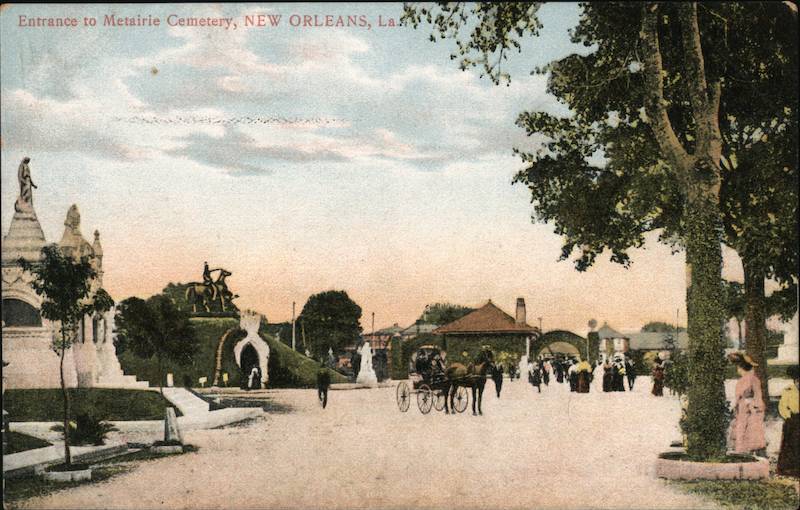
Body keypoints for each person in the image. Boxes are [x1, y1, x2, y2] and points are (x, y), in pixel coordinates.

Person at [729, 353, 766, 455]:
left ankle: (747, 454)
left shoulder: (748, 380)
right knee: (744, 432)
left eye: (738, 367)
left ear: (741, 367)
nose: (737, 370)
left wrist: (748, 404)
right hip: (745, 410)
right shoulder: (751, 379)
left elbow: (753, 397)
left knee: (747, 433)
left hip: (748, 411)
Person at [777, 365, 799, 477]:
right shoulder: (788, 390)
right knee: (791, 444)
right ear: (794, 380)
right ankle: (790, 468)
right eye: (797, 381)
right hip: (792, 420)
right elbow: (782, 406)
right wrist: (788, 416)